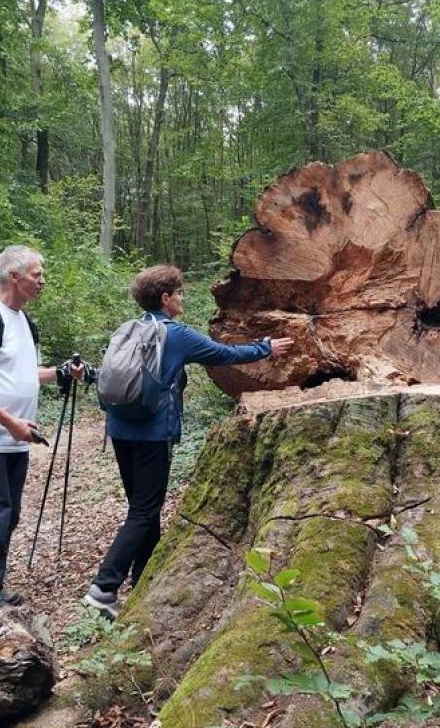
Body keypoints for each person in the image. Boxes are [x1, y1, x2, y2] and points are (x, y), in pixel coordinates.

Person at [84, 264, 293, 619]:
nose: (183, 298)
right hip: (152, 433)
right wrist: (265, 348)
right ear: (166, 298)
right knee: (144, 511)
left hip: (120, 428)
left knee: (143, 510)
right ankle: (104, 587)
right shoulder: (176, 335)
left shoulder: (128, 328)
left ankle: (141, 583)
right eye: (179, 292)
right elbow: (224, 354)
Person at [0, 245, 82, 617]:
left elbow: (18, 373)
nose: (42, 281)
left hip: (13, 440)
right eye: (37, 274)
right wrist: (10, 423)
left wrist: (57, 372)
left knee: (4, 517)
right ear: (14, 276)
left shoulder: (22, 320)